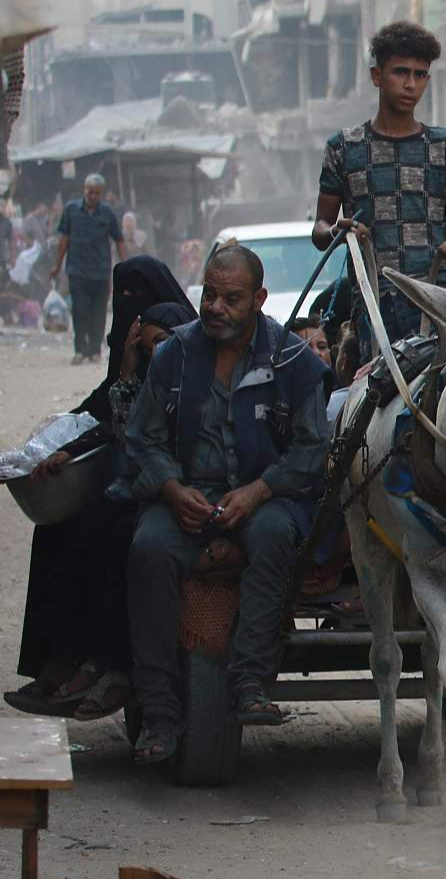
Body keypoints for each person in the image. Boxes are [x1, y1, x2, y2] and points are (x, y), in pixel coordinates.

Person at [124, 245, 330, 764]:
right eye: (209, 294)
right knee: (148, 549)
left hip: (265, 498)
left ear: (258, 299)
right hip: (186, 495)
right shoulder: (174, 354)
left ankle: (250, 683)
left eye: (231, 298)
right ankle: (161, 715)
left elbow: (312, 451)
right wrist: (172, 489)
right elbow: (142, 437)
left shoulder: (293, 361)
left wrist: (260, 491)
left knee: (273, 535)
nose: (215, 307)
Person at [5, 259, 196, 720]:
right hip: (129, 481)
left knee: (107, 535)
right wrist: (60, 447)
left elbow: (141, 430)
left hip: (173, 486)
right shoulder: (133, 348)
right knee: (56, 529)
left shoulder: (180, 348)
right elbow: (102, 411)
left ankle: (110, 664)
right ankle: (57, 660)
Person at [312, 20, 446, 373]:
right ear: (377, 76)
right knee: (377, 398)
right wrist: (339, 230)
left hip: (437, 295)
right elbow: (320, 231)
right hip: (375, 299)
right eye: (401, 72)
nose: (410, 83)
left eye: (420, 74)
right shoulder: (343, 147)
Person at [52, 173, 129, 365]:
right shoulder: (71, 210)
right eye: (89, 191)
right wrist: (57, 265)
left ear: (101, 193)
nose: (92, 195)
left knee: (98, 313)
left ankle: (94, 350)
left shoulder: (107, 213)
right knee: (79, 311)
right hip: (77, 271)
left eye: (96, 193)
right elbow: (64, 240)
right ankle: (80, 350)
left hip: (101, 272)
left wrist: (126, 267)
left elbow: (119, 240)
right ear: (84, 189)